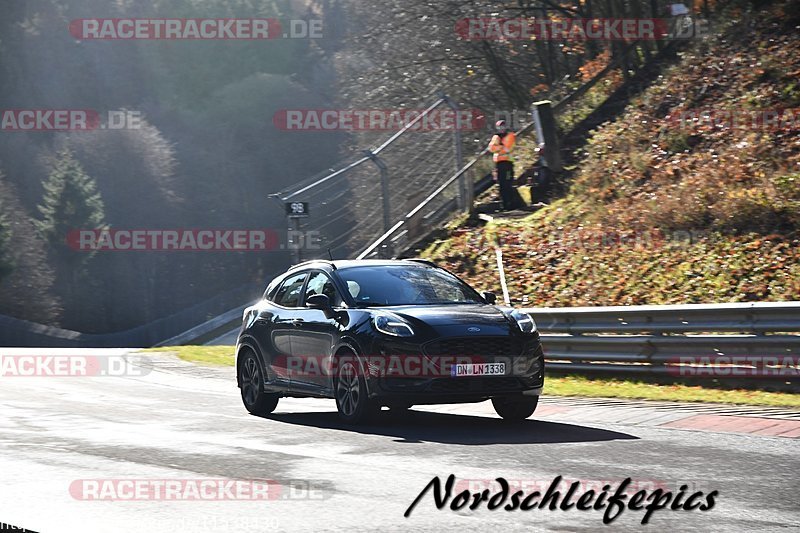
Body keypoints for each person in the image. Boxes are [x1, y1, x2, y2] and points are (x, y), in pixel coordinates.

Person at [488, 120, 520, 210]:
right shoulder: (496, 137)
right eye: (500, 127)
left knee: (508, 183)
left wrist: (498, 147)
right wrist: (500, 146)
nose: (501, 129)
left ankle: (511, 204)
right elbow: (491, 148)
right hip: (499, 164)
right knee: (501, 185)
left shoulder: (510, 135)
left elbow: (508, 149)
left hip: (508, 163)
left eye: (503, 127)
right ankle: (505, 205)